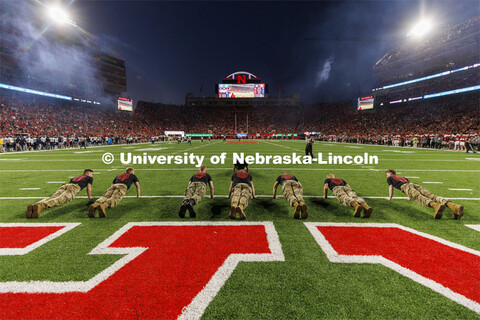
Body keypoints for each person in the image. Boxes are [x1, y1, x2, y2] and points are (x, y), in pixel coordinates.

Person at [385, 169, 463, 219]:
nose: (387, 176)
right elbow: (409, 185)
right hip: (413, 184)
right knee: (431, 195)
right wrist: (409, 197)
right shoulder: (402, 177)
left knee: (420, 198)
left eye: (387, 174)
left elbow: (391, 187)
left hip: (405, 187)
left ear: (390, 174)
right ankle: (453, 206)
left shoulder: (389, 178)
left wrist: (390, 197)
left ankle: (435, 205)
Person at [27, 169, 94, 218]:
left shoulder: (76, 177)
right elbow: (89, 188)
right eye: (92, 174)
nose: (92, 175)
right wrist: (90, 196)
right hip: (74, 187)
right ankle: (41, 206)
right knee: (60, 199)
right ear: (87, 174)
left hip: (65, 185)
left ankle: (35, 206)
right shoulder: (89, 178)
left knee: (53, 197)